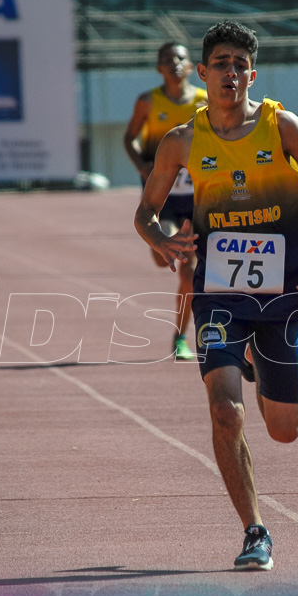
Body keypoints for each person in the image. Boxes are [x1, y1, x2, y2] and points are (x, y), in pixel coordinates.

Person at [134, 21, 298, 570]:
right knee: (225, 409)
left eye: (239, 65)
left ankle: (256, 356)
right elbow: (144, 212)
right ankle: (255, 531)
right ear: (203, 75)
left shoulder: (281, 127)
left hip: (281, 296)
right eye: (221, 64)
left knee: (284, 430)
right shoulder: (182, 142)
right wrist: (164, 239)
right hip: (218, 295)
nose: (230, 73)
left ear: (251, 74)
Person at [124, 41, 208, 360]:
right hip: (164, 197)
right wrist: (142, 166)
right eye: (167, 59)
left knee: (188, 270)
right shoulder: (148, 102)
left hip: (199, 198)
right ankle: (158, 243)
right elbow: (129, 137)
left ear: (191, 67)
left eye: (180, 58)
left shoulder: (205, 102)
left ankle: (180, 338)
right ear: (159, 67)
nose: (174, 63)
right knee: (164, 256)